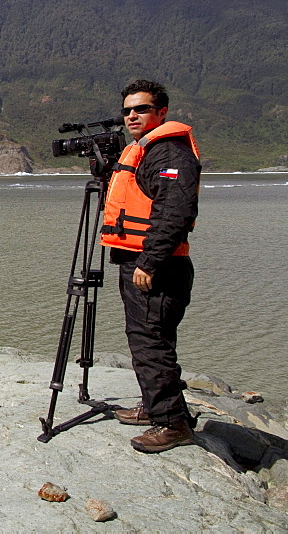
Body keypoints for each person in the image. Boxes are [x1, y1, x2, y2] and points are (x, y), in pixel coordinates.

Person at [100, 79, 201, 453]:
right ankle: (156, 406)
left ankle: (173, 424)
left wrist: (150, 262)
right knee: (153, 340)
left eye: (141, 109)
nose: (131, 116)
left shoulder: (170, 154)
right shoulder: (149, 152)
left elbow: (175, 212)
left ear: (162, 112)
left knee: (150, 344)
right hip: (146, 263)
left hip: (157, 268)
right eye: (127, 110)